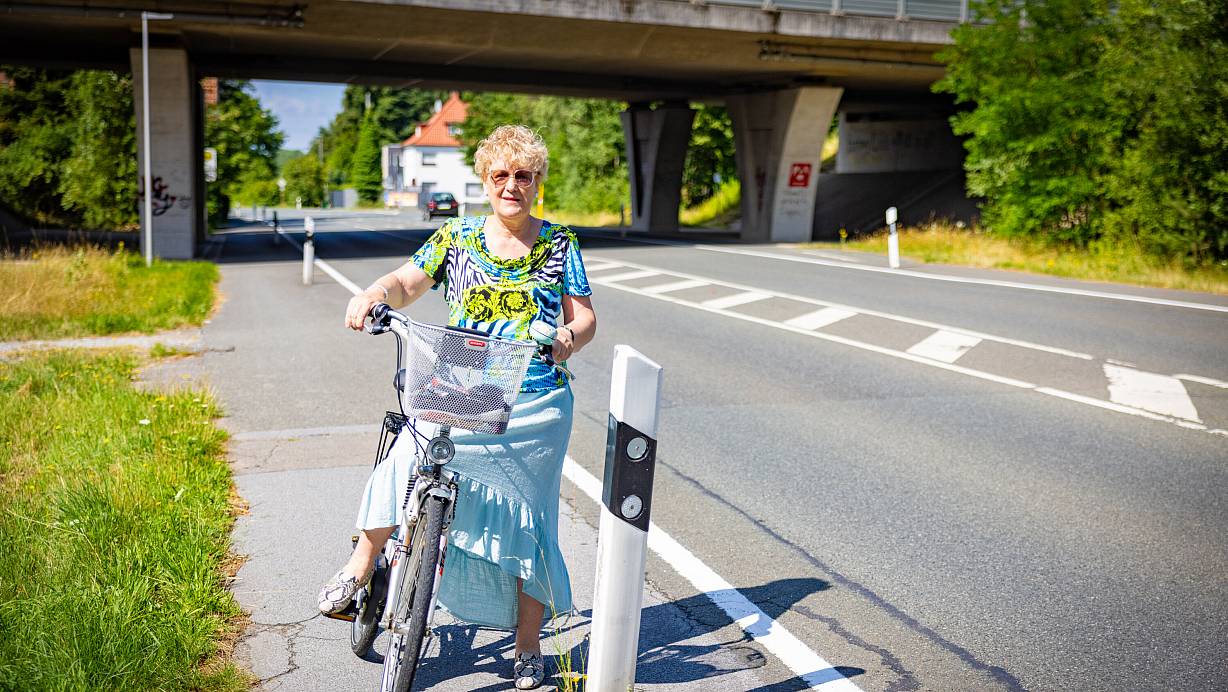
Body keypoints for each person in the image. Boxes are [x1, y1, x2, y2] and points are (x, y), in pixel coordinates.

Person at [317, 124, 596, 690]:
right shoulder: (457, 238)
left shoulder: (560, 244)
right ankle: (359, 570)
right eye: (501, 175)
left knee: (531, 518)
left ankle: (526, 647)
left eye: (523, 175)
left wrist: (568, 336)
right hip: (461, 387)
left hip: (537, 398)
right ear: (485, 180)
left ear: (537, 182)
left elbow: (585, 317)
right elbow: (404, 282)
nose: (512, 185)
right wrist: (372, 296)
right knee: (404, 459)